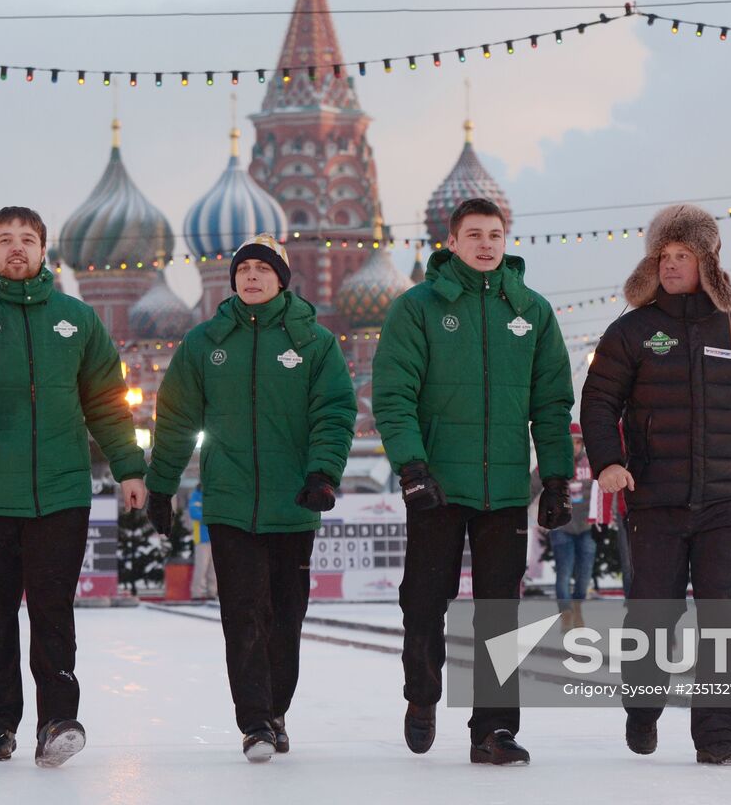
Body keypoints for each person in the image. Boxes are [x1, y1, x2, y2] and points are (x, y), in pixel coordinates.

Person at [580, 203, 731, 766]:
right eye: (663, 256)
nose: (670, 265)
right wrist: (609, 462)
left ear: (706, 261)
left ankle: (719, 739)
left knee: (724, 622)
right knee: (652, 616)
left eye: (682, 255)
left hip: (724, 503)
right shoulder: (632, 330)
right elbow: (598, 401)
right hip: (654, 502)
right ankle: (642, 709)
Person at [0, 206, 147, 767]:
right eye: (5, 239)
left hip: (62, 491)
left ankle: (58, 720)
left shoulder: (76, 319)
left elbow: (107, 402)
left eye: (28, 239)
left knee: (53, 609)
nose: (16, 247)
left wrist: (129, 466)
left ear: (44, 251)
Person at [373, 197, 574, 766]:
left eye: (495, 234)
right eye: (474, 235)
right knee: (423, 601)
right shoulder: (417, 308)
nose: (486, 244)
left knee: (499, 612)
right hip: (436, 486)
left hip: (505, 490)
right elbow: (393, 395)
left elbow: (553, 402)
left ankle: (494, 730)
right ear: (452, 241)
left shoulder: (531, 311)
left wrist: (555, 477)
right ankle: (422, 694)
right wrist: (412, 467)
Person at [145, 234, 355, 762]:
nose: (252, 278)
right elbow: (174, 420)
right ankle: (256, 721)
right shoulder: (205, 343)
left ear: (282, 279)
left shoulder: (315, 344)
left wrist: (323, 474)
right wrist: (161, 485)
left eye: (263, 269)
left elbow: (334, 413)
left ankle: (276, 710)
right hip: (230, 502)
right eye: (244, 271)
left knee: (285, 617)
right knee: (242, 614)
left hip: (295, 503)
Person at [535, 425, 596, 631]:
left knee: (585, 574)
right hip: (562, 527)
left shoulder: (592, 463)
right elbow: (534, 482)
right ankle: (566, 612)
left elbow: (605, 490)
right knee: (564, 571)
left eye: (578, 442)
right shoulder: (556, 463)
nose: (574, 447)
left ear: (582, 444)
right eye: (570, 442)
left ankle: (577, 605)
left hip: (586, 526)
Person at [187, 485, 217, 601]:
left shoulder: (212, 496)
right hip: (201, 539)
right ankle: (196, 593)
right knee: (201, 567)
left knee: (213, 568)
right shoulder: (196, 496)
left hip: (213, 538)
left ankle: (212, 592)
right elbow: (194, 513)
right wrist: (210, 516)